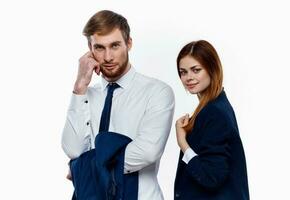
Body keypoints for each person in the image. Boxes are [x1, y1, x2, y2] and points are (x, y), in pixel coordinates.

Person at [61, 10, 175, 200]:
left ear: (128, 43)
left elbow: (147, 152)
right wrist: (80, 86)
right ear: (90, 48)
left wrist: (82, 167)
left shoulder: (157, 91)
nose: (107, 57)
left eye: (115, 45)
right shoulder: (86, 95)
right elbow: (73, 149)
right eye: (99, 48)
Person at [174, 40, 249, 199]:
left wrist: (183, 143)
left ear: (212, 69)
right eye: (183, 72)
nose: (189, 77)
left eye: (196, 70)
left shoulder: (215, 112)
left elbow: (211, 177)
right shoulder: (215, 107)